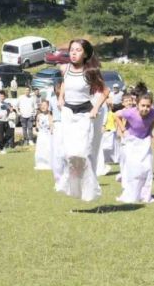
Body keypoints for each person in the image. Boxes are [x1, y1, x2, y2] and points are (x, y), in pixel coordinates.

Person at [55, 39, 109, 202]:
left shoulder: (90, 71)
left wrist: (95, 109)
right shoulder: (65, 69)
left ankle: (89, 190)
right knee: (69, 153)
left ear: (85, 54)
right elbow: (65, 83)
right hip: (68, 113)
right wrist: (61, 97)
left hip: (84, 115)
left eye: (78, 50)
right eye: (72, 50)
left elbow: (105, 91)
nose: (73, 53)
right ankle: (72, 187)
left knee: (83, 153)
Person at [114, 92, 154, 203]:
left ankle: (145, 194)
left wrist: (149, 131)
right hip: (131, 141)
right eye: (143, 105)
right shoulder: (130, 113)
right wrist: (123, 130)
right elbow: (116, 115)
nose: (145, 108)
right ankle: (131, 193)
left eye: (148, 106)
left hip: (144, 141)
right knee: (134, 169)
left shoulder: (153, 113)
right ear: (137, 104)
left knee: (147, 168)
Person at [48, 83, 64, 184]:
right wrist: (51, 123)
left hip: (66, 124)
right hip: (57, 123)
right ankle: (58, 175)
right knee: (57, 150)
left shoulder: (66, 99)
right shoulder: (52, 100)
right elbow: (50, 112)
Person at [34, 100, 53, 170]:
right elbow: (37, 123)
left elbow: (51, 125)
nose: (43, 107)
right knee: (40, 149)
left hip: (48, 135)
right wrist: (37, 127)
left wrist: (51, 132)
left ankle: (48, 163)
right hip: (41, 135)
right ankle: (40, 163)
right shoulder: (39, 115)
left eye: (45, 105)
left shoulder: (50, 116)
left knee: (48, 149)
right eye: (42, 105)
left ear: (48, 106)